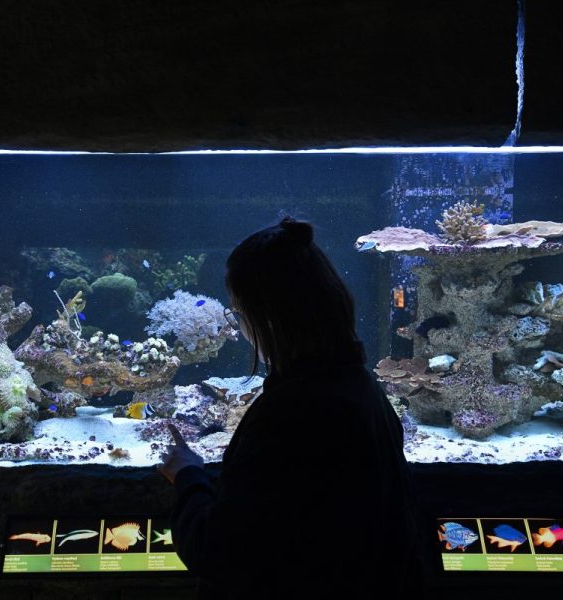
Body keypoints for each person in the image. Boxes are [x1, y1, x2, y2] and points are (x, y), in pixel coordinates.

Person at [158, 216, 425, 599]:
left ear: (267, 315)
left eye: (238, 310)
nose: (240, 325)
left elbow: (221, 551)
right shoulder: (363, 388)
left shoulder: (291, 413)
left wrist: (188, 477)